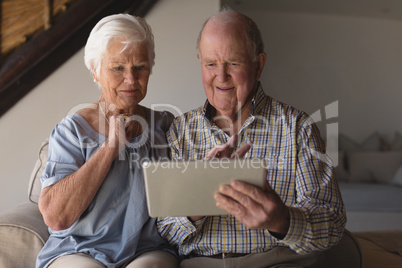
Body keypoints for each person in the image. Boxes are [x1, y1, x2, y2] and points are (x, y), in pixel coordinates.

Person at [157, 9, 346, 268]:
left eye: (233, 63)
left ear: (258, 65)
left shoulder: (297, 127)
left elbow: (333, 223)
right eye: (211, 63)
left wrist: (283, 221)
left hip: (279, 262)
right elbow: (164, 229)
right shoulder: (180, 131)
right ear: (200, 62)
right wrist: (198, 197)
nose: (221, 76)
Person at [36, 14, 178, 268]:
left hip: (146, 251)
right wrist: (111, 147)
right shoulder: (72, 131)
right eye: (118, 68)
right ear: (95, 70)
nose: (131, 80)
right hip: (78, 250)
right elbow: (56, 217)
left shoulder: (165, 126)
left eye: (140, 67)